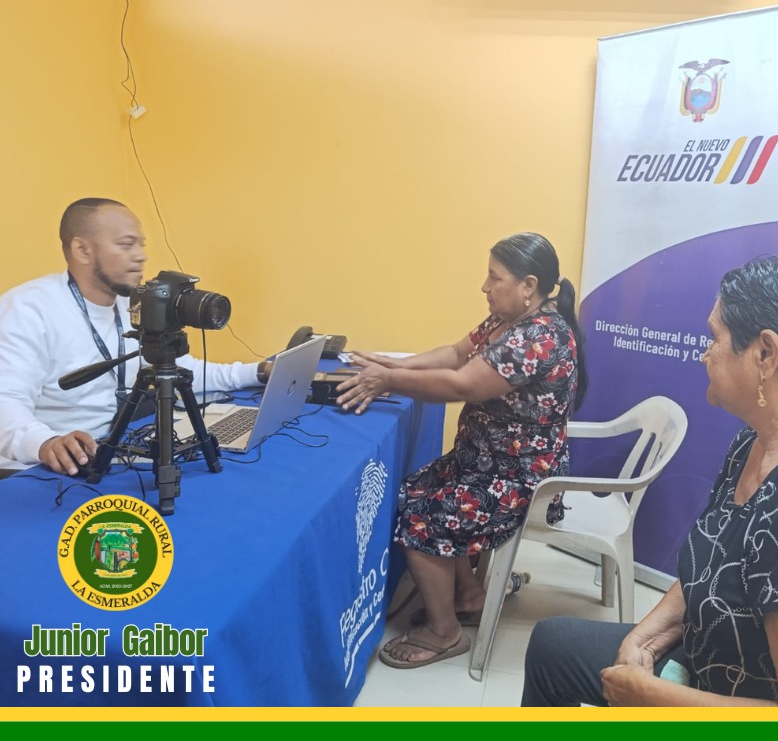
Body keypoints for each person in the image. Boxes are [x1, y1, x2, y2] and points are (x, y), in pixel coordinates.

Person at [521, 254, 778, 707]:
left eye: (715, 338)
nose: (704, 353)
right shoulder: (759, 440)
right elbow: (714, 565)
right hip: (723, 657)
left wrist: (651, 695)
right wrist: (646, 638)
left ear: (766, 354)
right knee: (552, 646)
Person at [336, 232, 588, 668]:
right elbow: (456, 354)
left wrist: (389, 380)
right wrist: (392, 363)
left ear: (528, 285)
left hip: (517, 479)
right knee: (414, 489)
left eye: (495, 277)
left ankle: (444, 632)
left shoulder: (538, 338)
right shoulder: (507, 320)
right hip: (484, 463)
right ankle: (469, 595)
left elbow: (462, 384)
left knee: (421, 518)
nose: (484, 287)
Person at [0, 197, 269, 478]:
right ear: (82, 250)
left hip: (120, 448)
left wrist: (259, 372)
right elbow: (5, 399)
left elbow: (180, 370)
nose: (141, 256)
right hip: (58, 467)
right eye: (126, 244)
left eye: (141, 245)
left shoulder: (130, 304)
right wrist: (44, 442)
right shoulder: (27, 309)